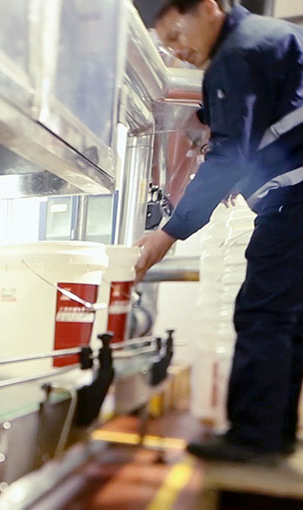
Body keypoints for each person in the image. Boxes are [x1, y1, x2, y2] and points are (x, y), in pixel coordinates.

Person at [136, 0, 303, 463]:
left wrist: (168, 234)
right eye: (166, 43)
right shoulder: (271, 38)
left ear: (209, 7)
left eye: (176, 35)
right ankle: (274, 435)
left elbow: (229, 155)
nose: (176, 49)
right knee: (289, 320)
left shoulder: (237, 54)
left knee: (262, 313)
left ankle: (253, 438)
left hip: (295, 198)